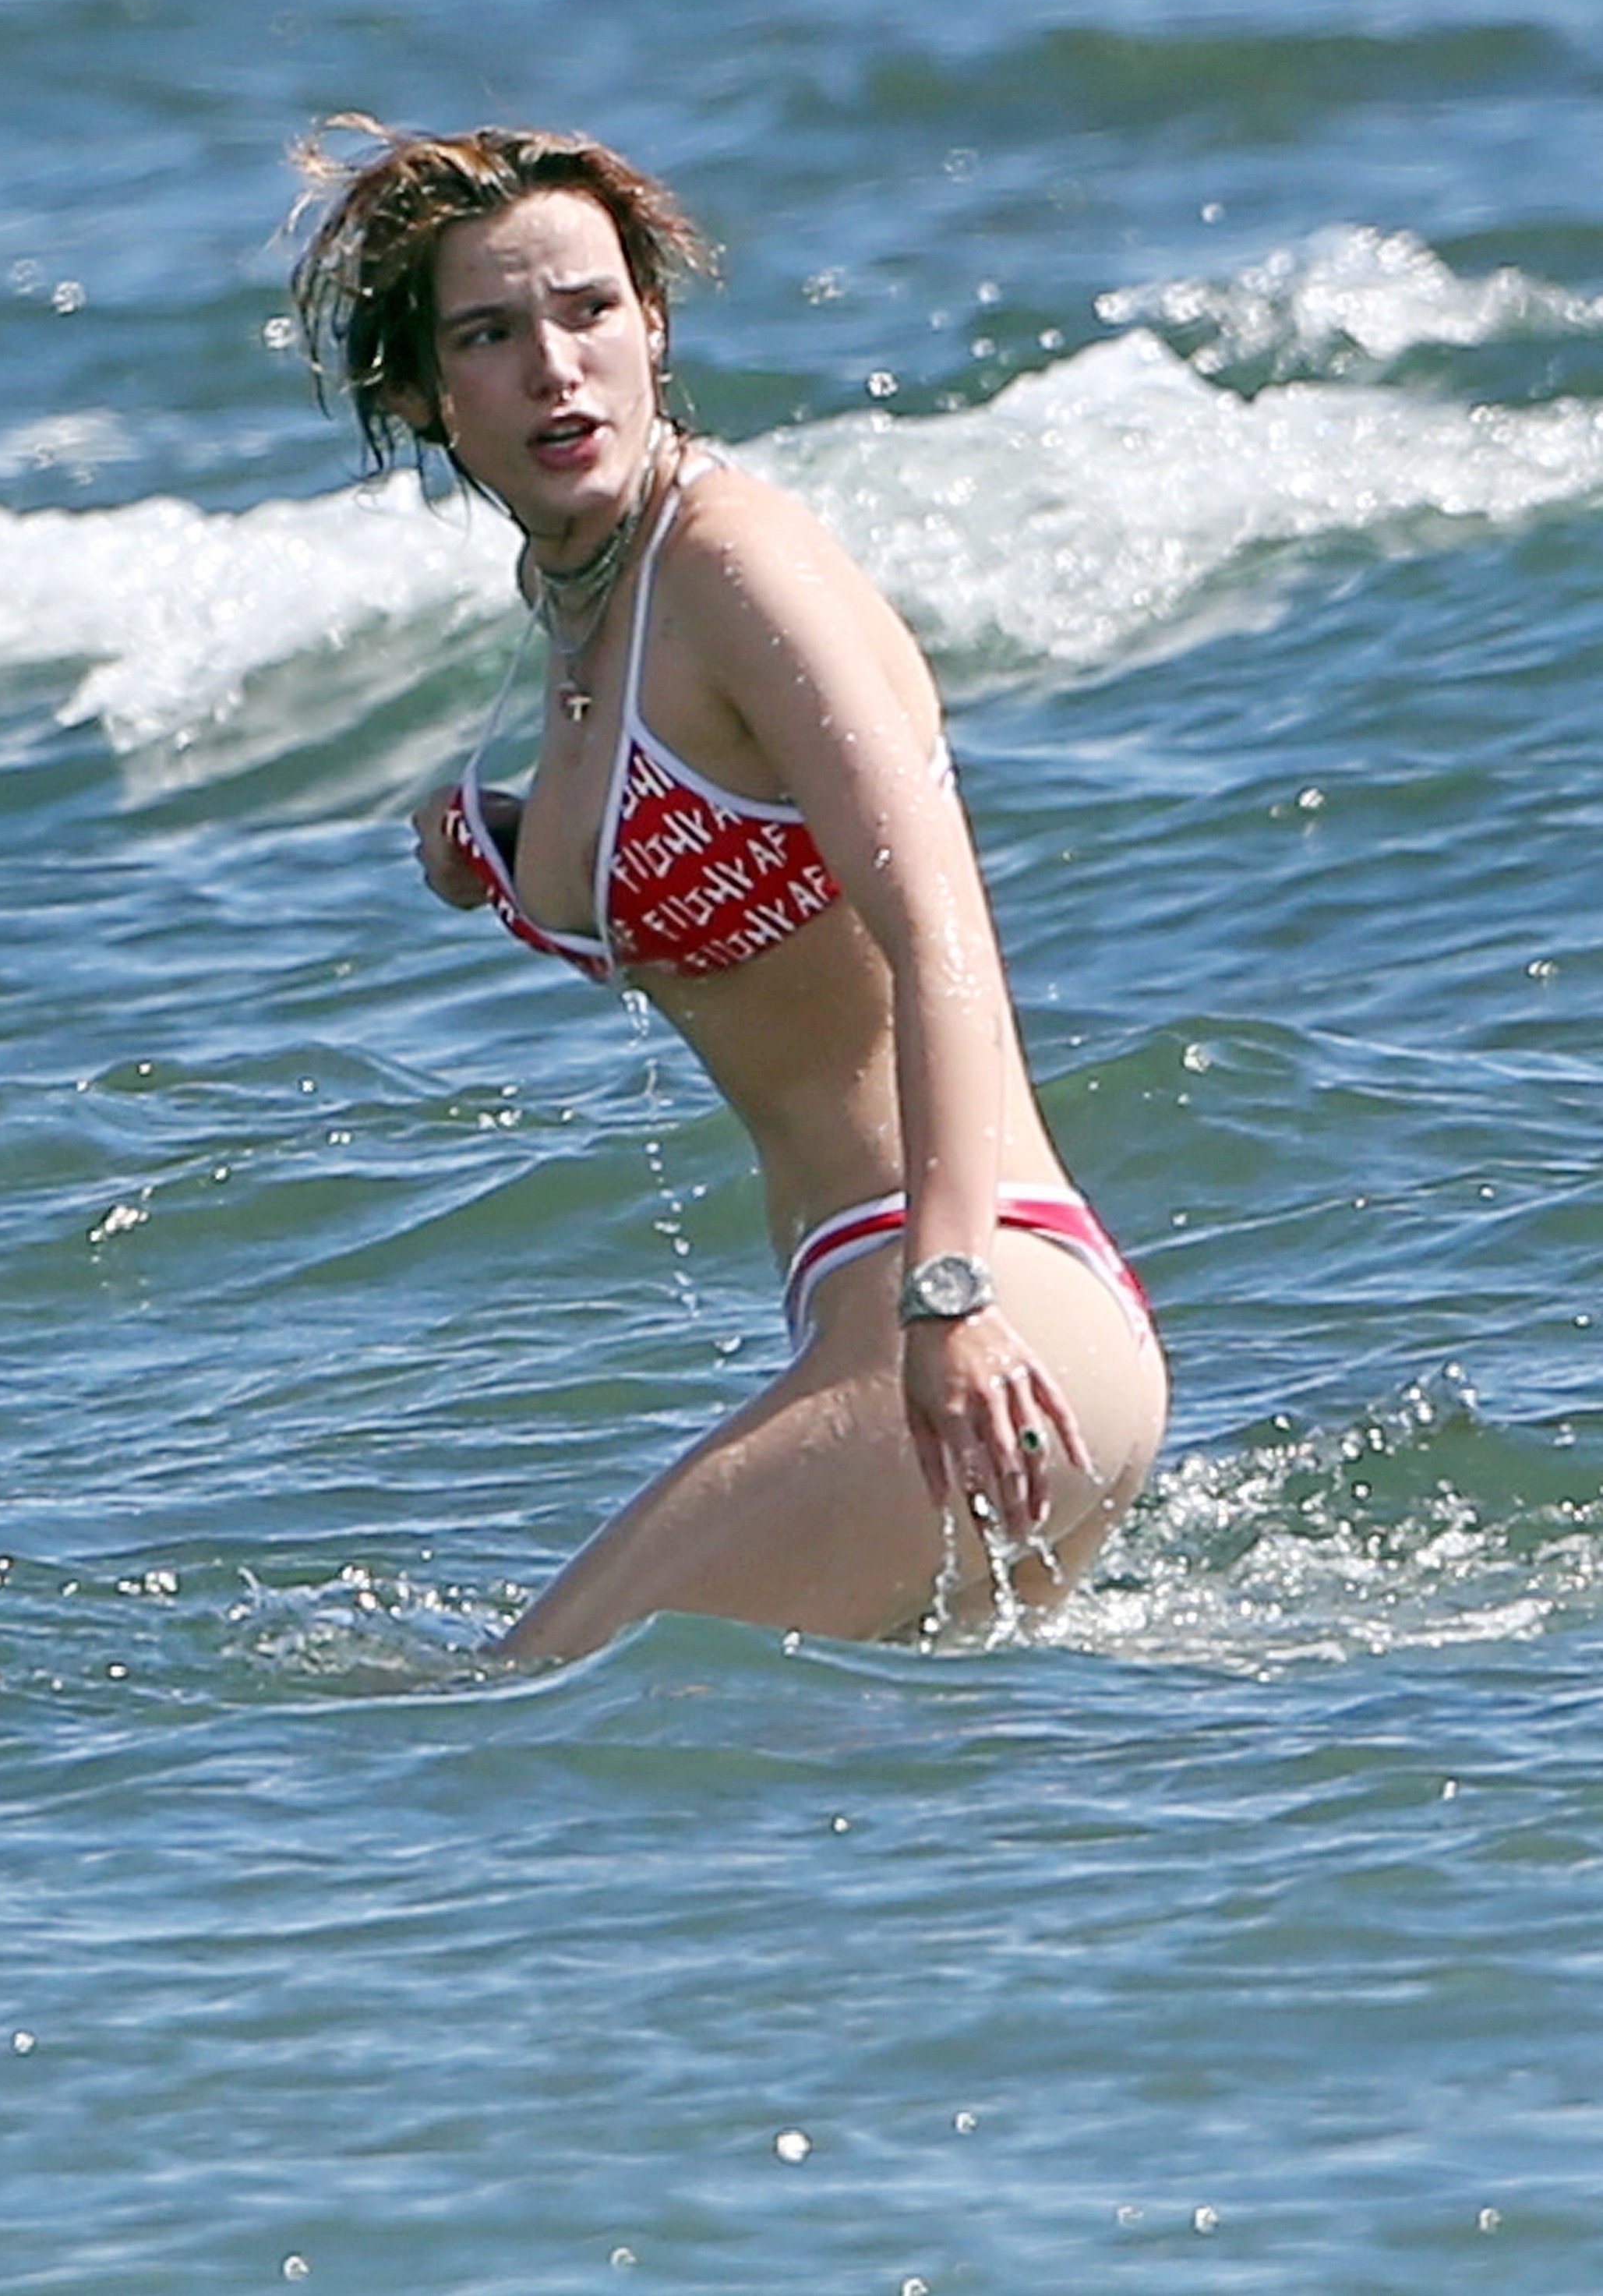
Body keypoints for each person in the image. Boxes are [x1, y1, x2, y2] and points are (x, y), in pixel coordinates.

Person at [291, 120, 1168, 1662]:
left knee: (514, 1710)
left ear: (653, 326)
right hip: (880, 1305)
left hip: (973, 1298)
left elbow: (939, 925)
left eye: (589, 311)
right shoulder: (584, 588)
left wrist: (948, 1295)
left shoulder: (731, 563)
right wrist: (498, 845)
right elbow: (724, 853)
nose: (555, 369)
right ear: (423, 392)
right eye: (490, 335)